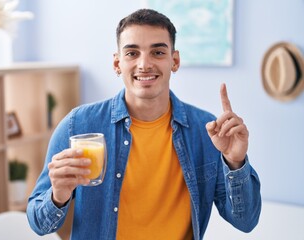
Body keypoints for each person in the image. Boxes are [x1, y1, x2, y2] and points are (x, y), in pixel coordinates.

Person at [27, 8, 261, 240]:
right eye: (132, 53)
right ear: (117, 63)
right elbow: (39, 223)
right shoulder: (78, 125)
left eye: (158, 52)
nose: (144, 64)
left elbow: (245, 222)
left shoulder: (209, 131)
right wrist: (58, 195)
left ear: (175, 60)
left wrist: (235, 161)